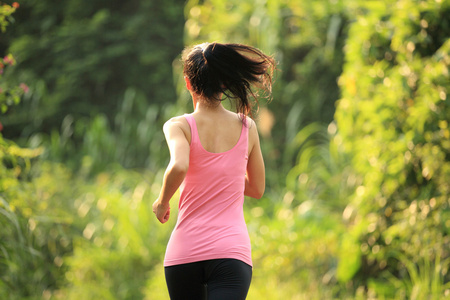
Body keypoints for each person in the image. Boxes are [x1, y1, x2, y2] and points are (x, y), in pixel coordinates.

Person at [152, 42, 275, 300]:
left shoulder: (179, 126)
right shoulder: (247, 127)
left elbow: (179, 165)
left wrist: (162, 201)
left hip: (184, 254)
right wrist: (225, 174)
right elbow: (256, 188)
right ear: (224, 83)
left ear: (188, 82)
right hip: (231, 253)